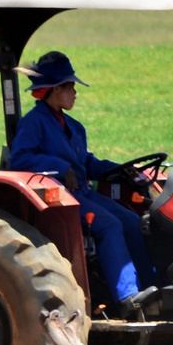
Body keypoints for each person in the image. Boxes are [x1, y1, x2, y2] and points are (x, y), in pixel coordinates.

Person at [8, 51, 156, 313]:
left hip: (85, 192)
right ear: (55, 89)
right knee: (109, 226)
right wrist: (60, 167)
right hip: (61, 197)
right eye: (70, 87)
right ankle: (126, 297)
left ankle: (151, 289)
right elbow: (20, 158)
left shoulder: (74, 127)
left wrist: (121, 170)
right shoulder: (33, 124)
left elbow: (86, 163)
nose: (75, 93)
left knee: (133, 222)